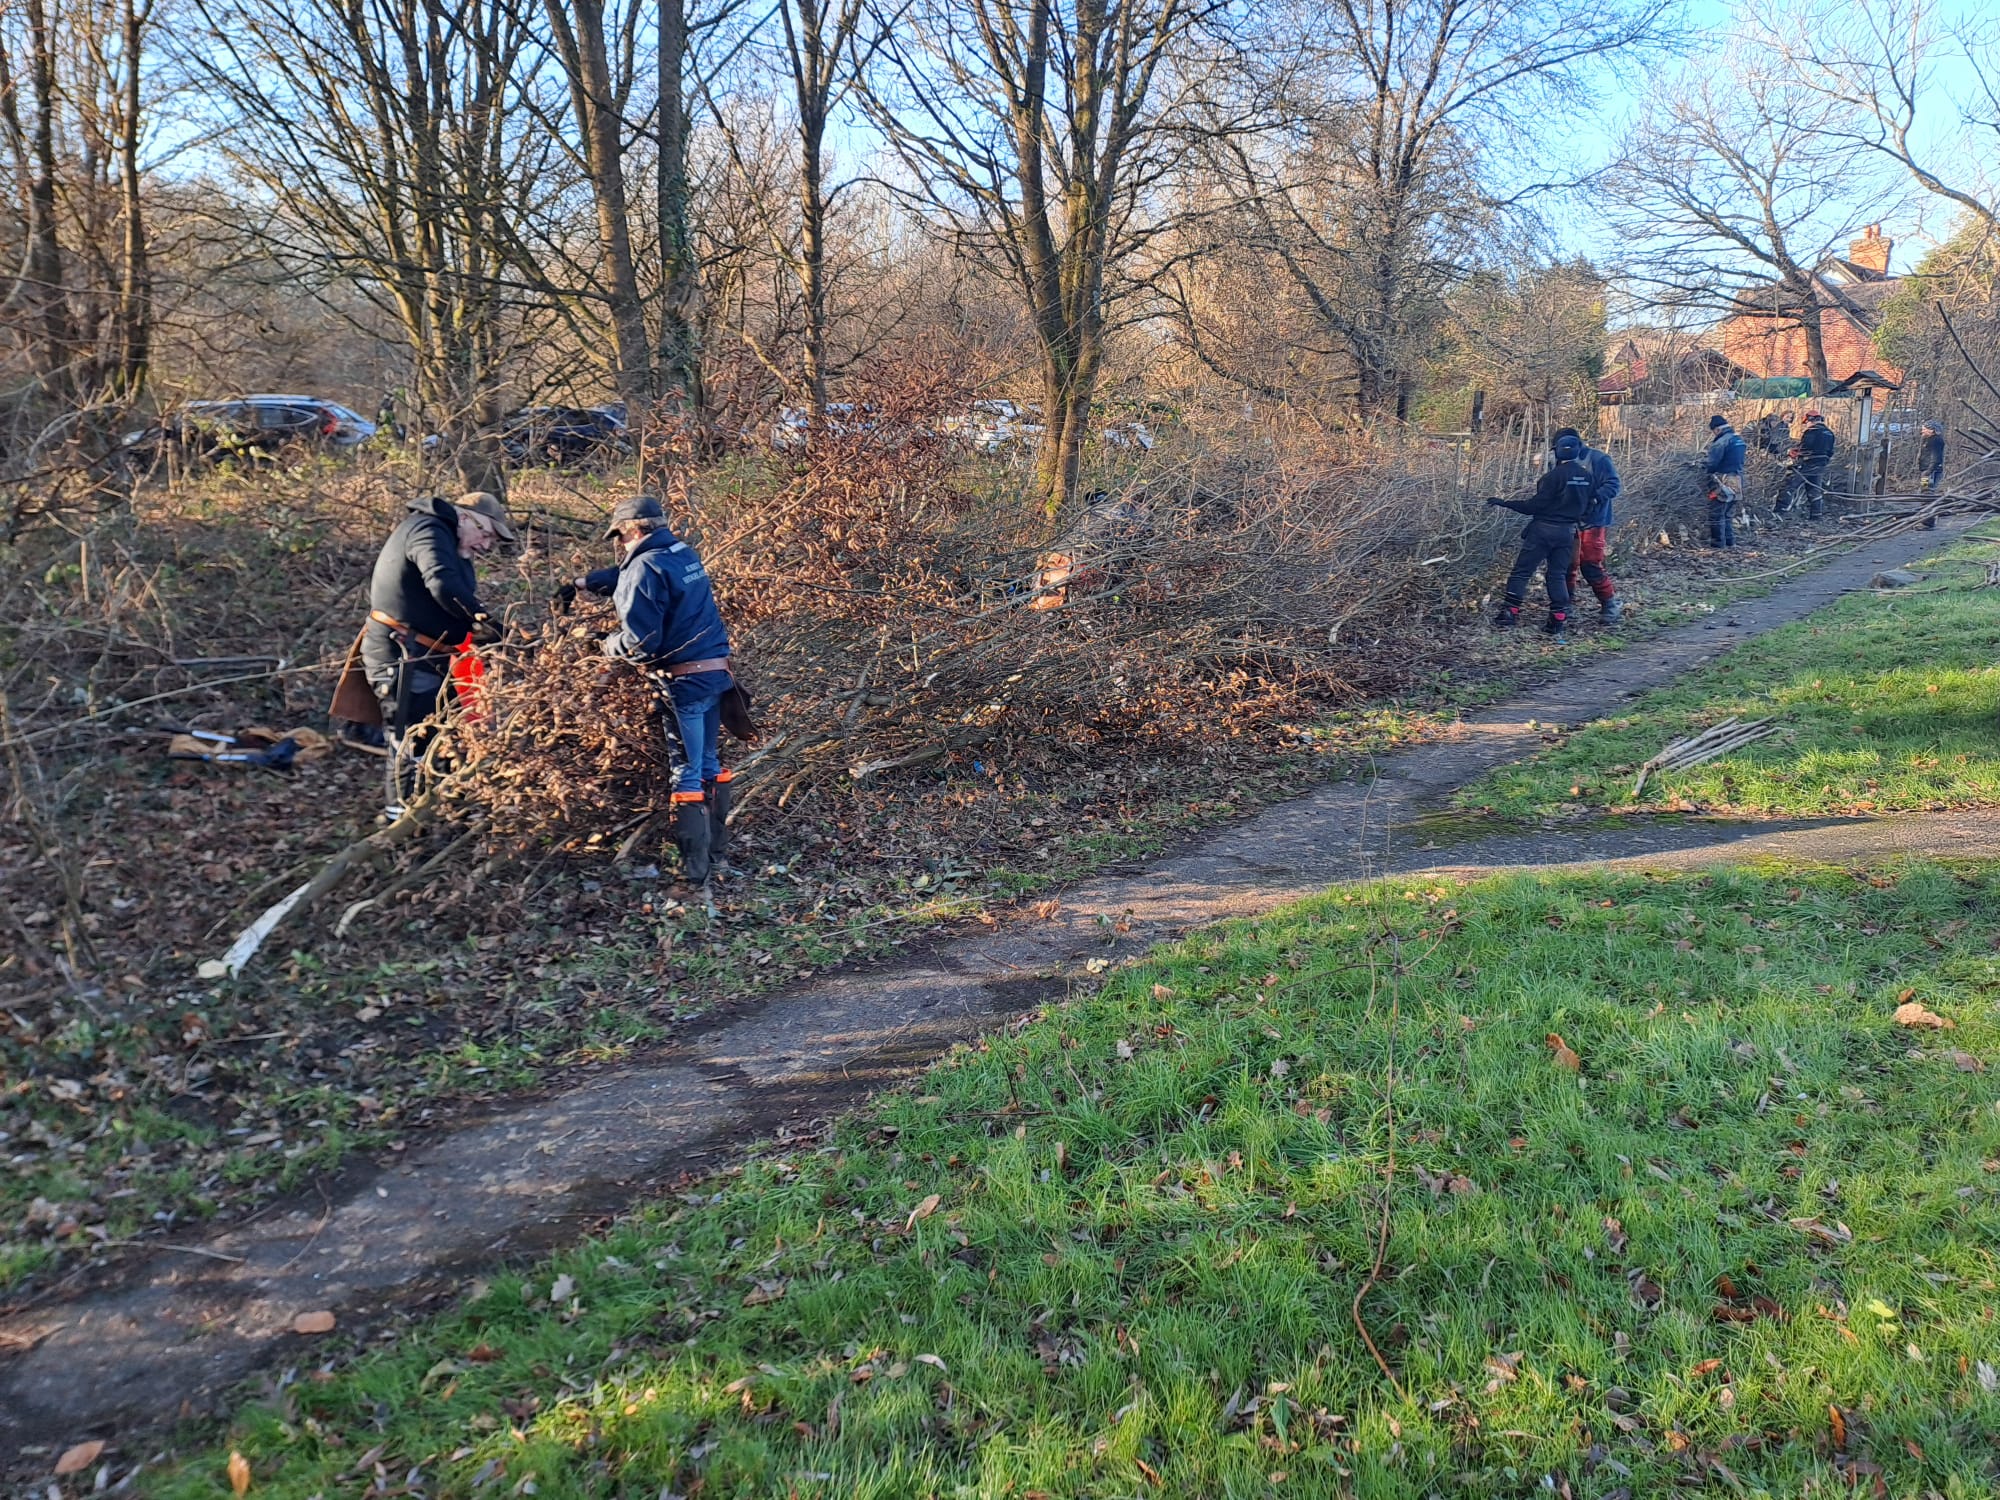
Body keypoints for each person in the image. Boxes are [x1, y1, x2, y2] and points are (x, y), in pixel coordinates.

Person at [595, 494, 736, 885]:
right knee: (709, 763)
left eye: (620, 538)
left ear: (635, 531)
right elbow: (646, 580)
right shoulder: (683, 553)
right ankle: (717, 858)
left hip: (683, 681)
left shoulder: (645, 567)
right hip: (716, 673)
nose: (620, 545)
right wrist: (591, 582)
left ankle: (695, 875)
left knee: (686, 773)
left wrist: (607, 645)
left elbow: (643, 642)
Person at [360, 491, 514, 806]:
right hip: (403, 654)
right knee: (411, 740)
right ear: (465, 516)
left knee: (442, 734)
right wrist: (484, 620)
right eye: (484, 533)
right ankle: (401, 824)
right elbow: (442, 584)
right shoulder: (428, 530)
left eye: (491, 541)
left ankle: (435, 810)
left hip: (433, 656)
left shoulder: (450, 541)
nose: (485, 545)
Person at [1488, 431, 1595, 637]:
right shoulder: (1587, 478)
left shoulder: (1552, 477)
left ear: (1556, 453)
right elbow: (1590, 508)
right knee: (1557, 574)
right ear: (1578, 452)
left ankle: (1509, 613)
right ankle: (1557, 619)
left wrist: (1504, 502)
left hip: (1542, 531)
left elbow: (1534, 506)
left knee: (1522, 571)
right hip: (1567, 533)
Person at [1555, 426, 1624, 623]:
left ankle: (1610, 603)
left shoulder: (1598, 459)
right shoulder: (1560, 460)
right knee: (1566, 564)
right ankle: (1565, 605)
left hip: (1594, 520)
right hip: (1568, 520)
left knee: (1590, 564)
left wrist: (1593, 499)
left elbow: (1613, 485)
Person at [1777, 410, 1836, 518]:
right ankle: (1816, 515)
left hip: (1806, 463)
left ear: (1811, 420)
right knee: (1814, 490)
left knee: (1788, 486)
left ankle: (1779, 512)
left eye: (1807, 422)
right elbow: (1831, 452)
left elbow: (1804, 449)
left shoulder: (1811, 432)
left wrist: (1793, 453)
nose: (1806, 425)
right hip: (1820, 465)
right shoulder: (1830, 433)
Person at [1702, 414, 1747, 548]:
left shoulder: (1721, 441)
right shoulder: (1739, 439)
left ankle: (1717, 544)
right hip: (1737, 479)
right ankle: (1730, 542)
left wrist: (1700, 465)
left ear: (1717, 430)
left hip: (1722, 480)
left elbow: (1712, 463)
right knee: (1728, 513)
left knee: (1716, 513)